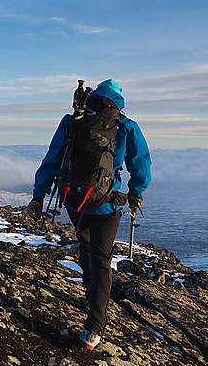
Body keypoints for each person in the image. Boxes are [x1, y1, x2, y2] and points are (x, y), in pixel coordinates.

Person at [28, 79, 151, 350]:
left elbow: (53, 158)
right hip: (107, 203)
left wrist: (38, 195)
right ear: (118, 102)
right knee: (102, 258)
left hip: (74, 201)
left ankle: (90, 296)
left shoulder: (74, 120)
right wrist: (136, 193)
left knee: (85, 246)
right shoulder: (127, 125)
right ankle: (95, 325)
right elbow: (140, 164)